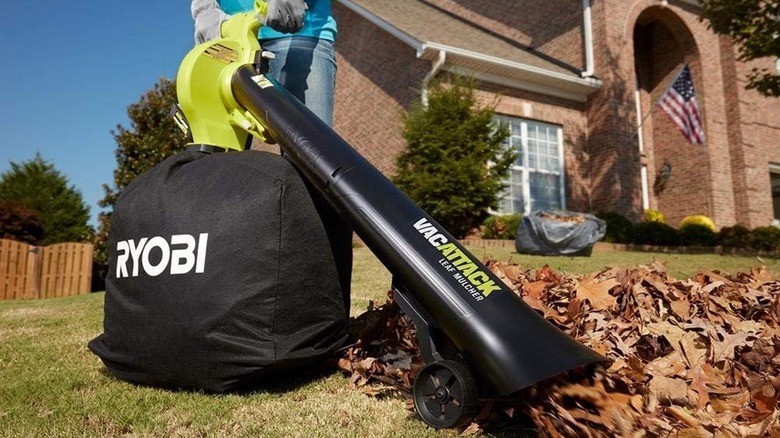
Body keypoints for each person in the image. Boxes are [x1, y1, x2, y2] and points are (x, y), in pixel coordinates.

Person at [190, 0, 352, 310]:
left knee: (315, 175)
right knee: (214, 177)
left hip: (300, 35)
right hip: (226, 43)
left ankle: (323, 314)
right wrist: (205, 9)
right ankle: (212, 311)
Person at [191, 0, 337, 126]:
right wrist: (205, 13)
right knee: (219, 148)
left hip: (298, 32)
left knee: (312, 146)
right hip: (229, 39)